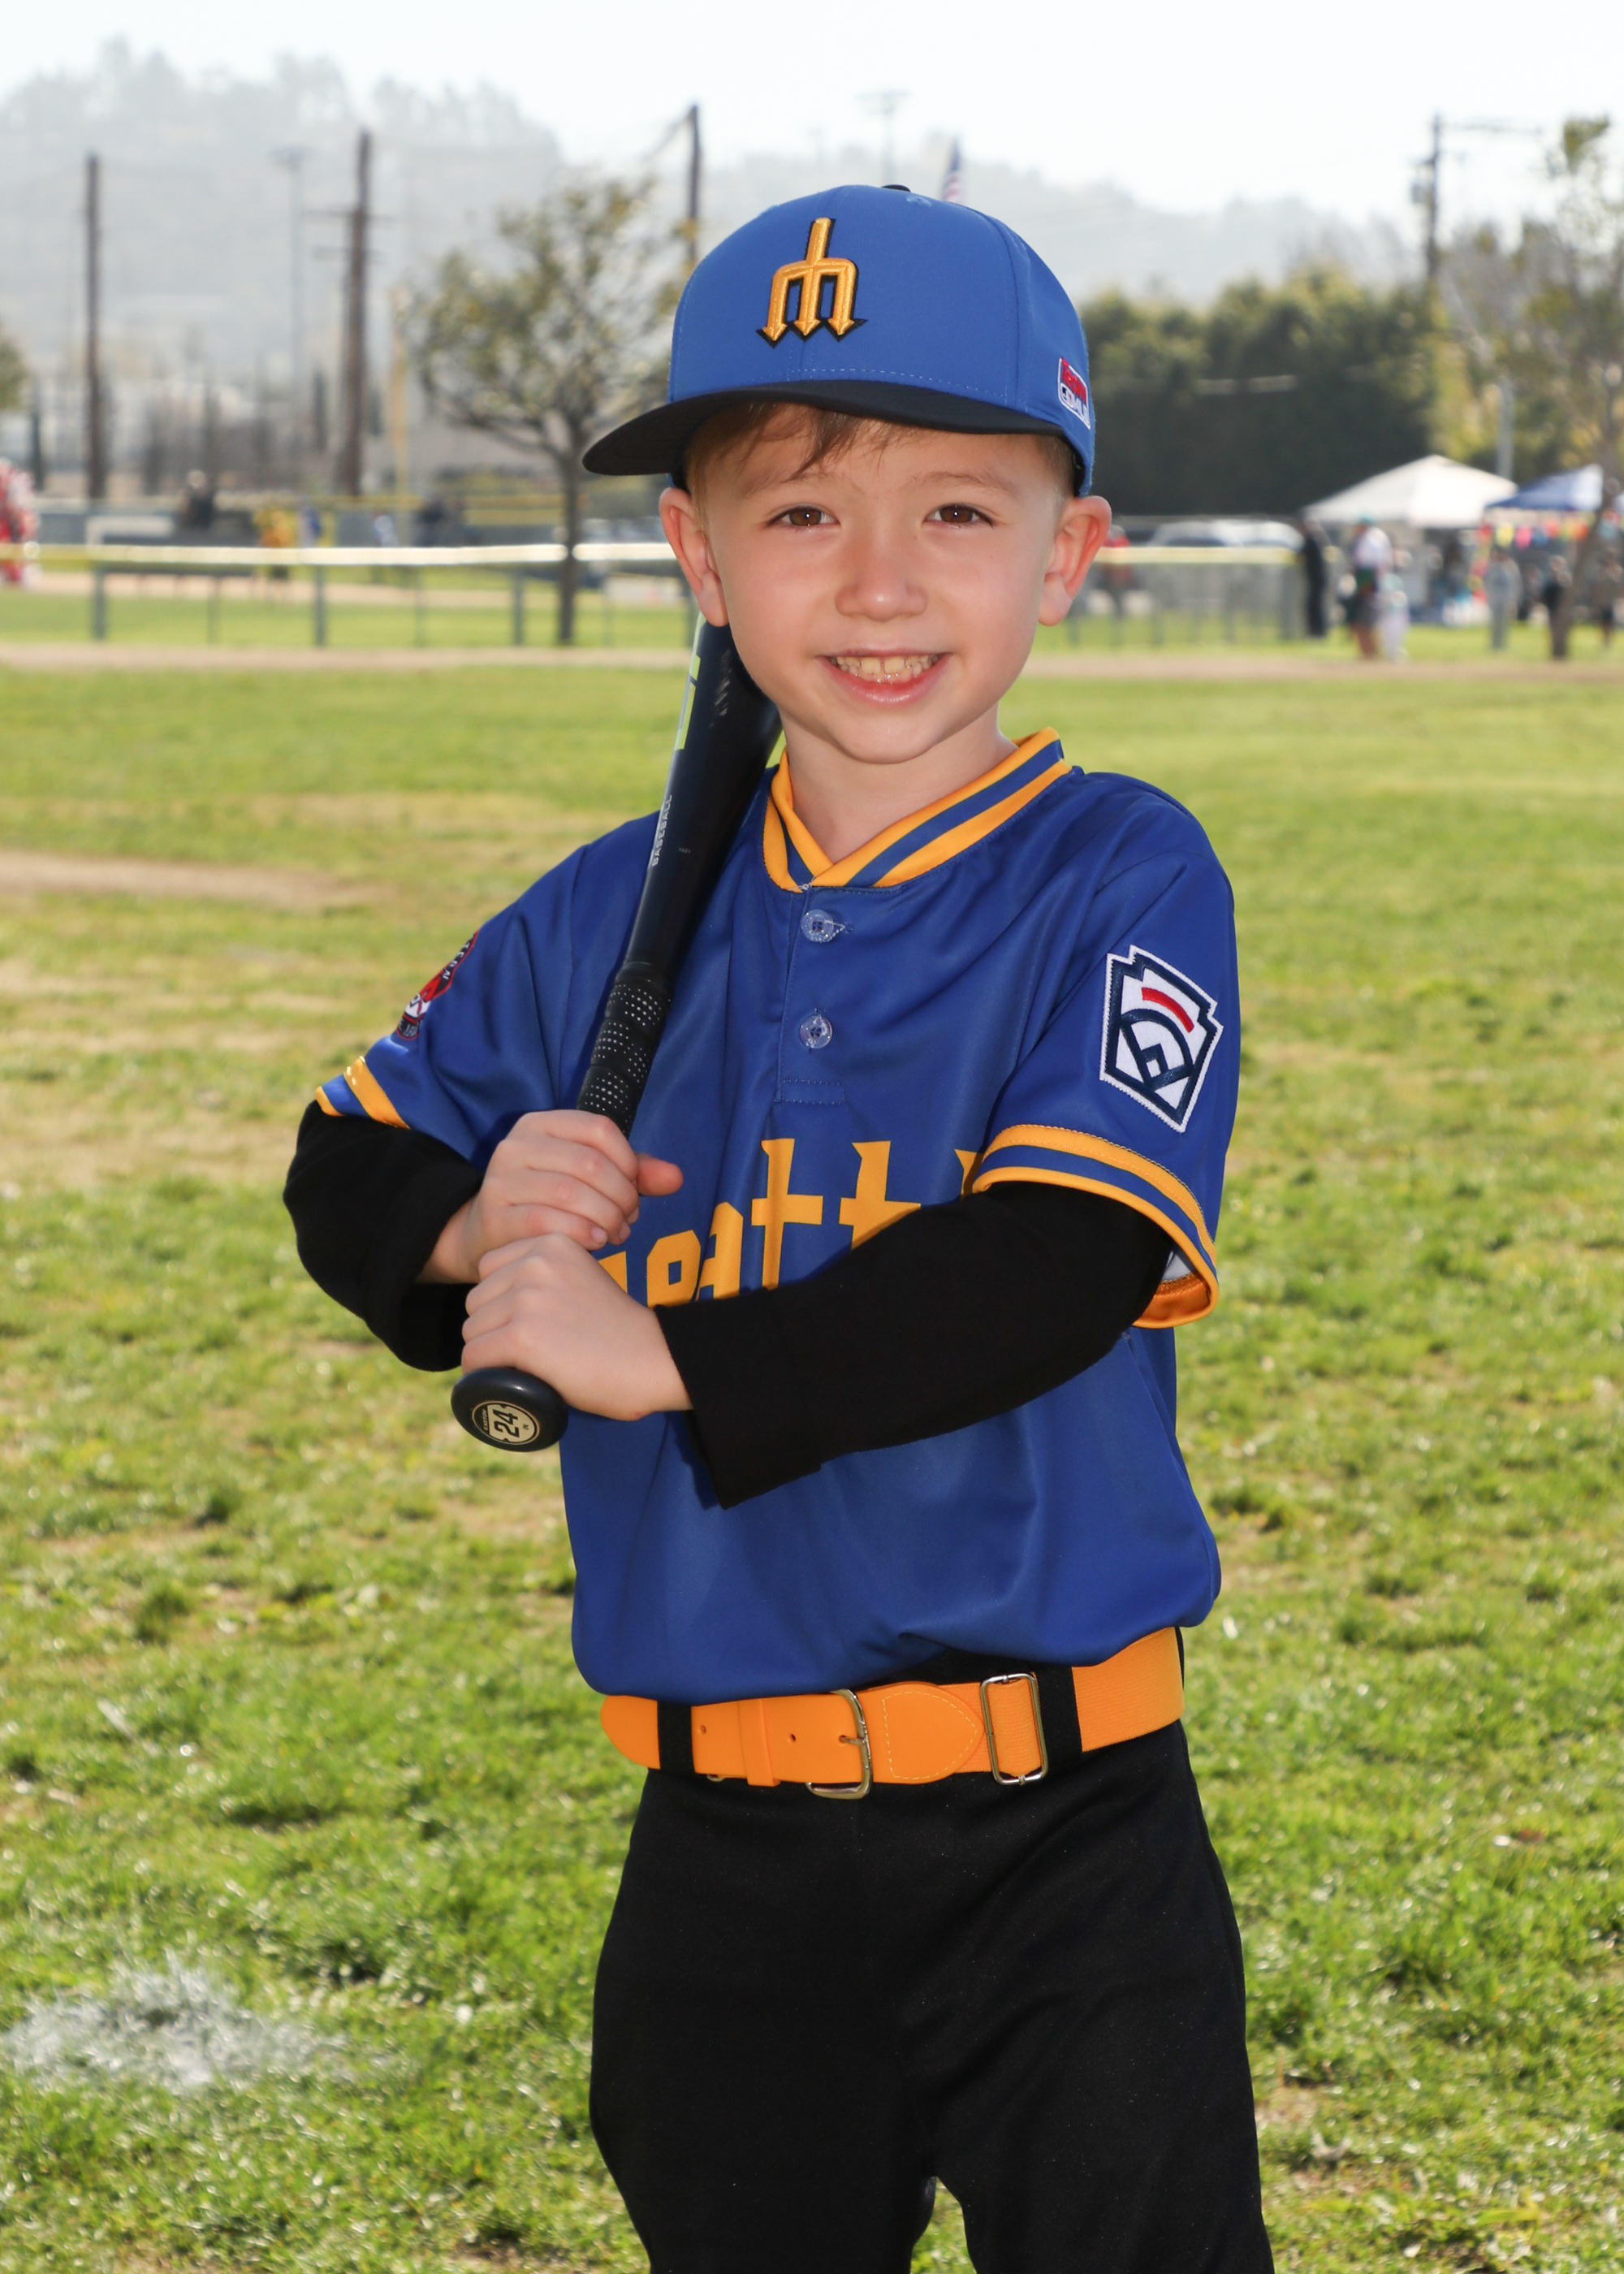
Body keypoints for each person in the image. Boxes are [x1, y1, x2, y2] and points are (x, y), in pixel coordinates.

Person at [283, 185, 1269, 2274]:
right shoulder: (601, 911)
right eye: (802, 513)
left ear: (1069, 553)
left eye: (957, 511)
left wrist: (660, 1354)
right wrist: (473, 1223)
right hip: (719, 1858)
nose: (879, 581)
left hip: (1067, 1838)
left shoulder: (1114, 872)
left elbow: (1053, 1266)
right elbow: (344, 1158)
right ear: (697, 555)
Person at [1346, 514, 1392, 659]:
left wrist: (1365, 587)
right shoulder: (1373, 538)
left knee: (1366, 622)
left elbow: (1371, 565)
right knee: (1364, 622)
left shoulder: (1372, 539)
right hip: (1368, 583)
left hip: (1368, 584)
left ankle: (1370, 653)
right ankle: (1367, 653)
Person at [1484, 534, 1521, 652]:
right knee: (1495, 623)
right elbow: (1488, 584)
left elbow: (1516, 585)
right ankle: (1495, 644)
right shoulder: (1492, 567)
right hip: (1495, 600)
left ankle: (1503, 644)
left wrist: (1514, 600)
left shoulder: (1511, 567)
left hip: (1506, 600)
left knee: (1504, 624)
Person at [1295, 516, 1328, 638]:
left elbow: (1300, 552)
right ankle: (1317, 631)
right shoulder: (1316, 540)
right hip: (1315, 580)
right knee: (1314, 605)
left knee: (1314, 606)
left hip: (1317, 580)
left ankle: (1316, 631)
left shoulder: (1311, 541)